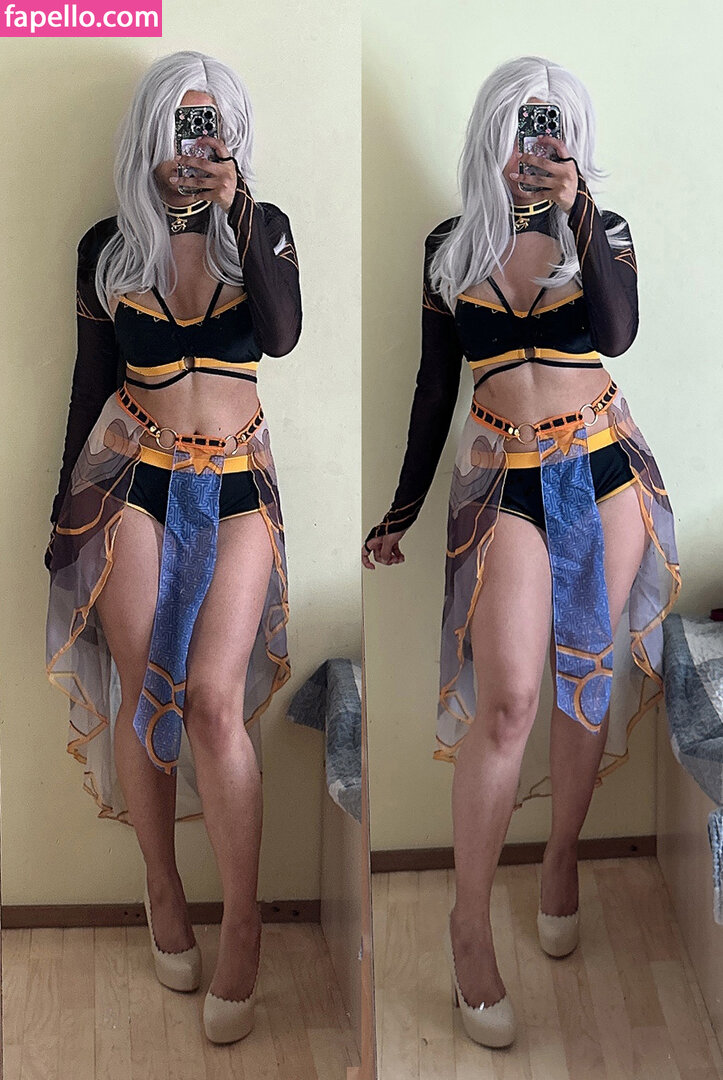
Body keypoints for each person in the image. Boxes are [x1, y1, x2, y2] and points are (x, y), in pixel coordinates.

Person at [362, 55, 679, 1048]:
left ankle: (560, 855)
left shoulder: (605, 233)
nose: (532, 148)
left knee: (584, 676)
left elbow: (618, 335)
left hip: (603, 468)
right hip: (501, 480)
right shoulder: (448, 247)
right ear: (491, 134)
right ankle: (467, 925)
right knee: (507, 699)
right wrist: (400, 510)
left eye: (551, 130)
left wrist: (578, 212)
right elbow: (434, 387)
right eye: (519, 127)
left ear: (571, 141)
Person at [44, 50, 301, 1044]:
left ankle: (243, 923)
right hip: (127, 476)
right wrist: (55, 519)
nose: (196, 142)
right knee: (146, 688)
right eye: (181, 124)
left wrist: (237, 212)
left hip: (235, 481)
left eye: (212, 125)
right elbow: (88, 381)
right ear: (152, 132)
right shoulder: (106, 246)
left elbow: (280, 337)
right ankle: (162, 886)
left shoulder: (263, 230)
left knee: (212, 700)